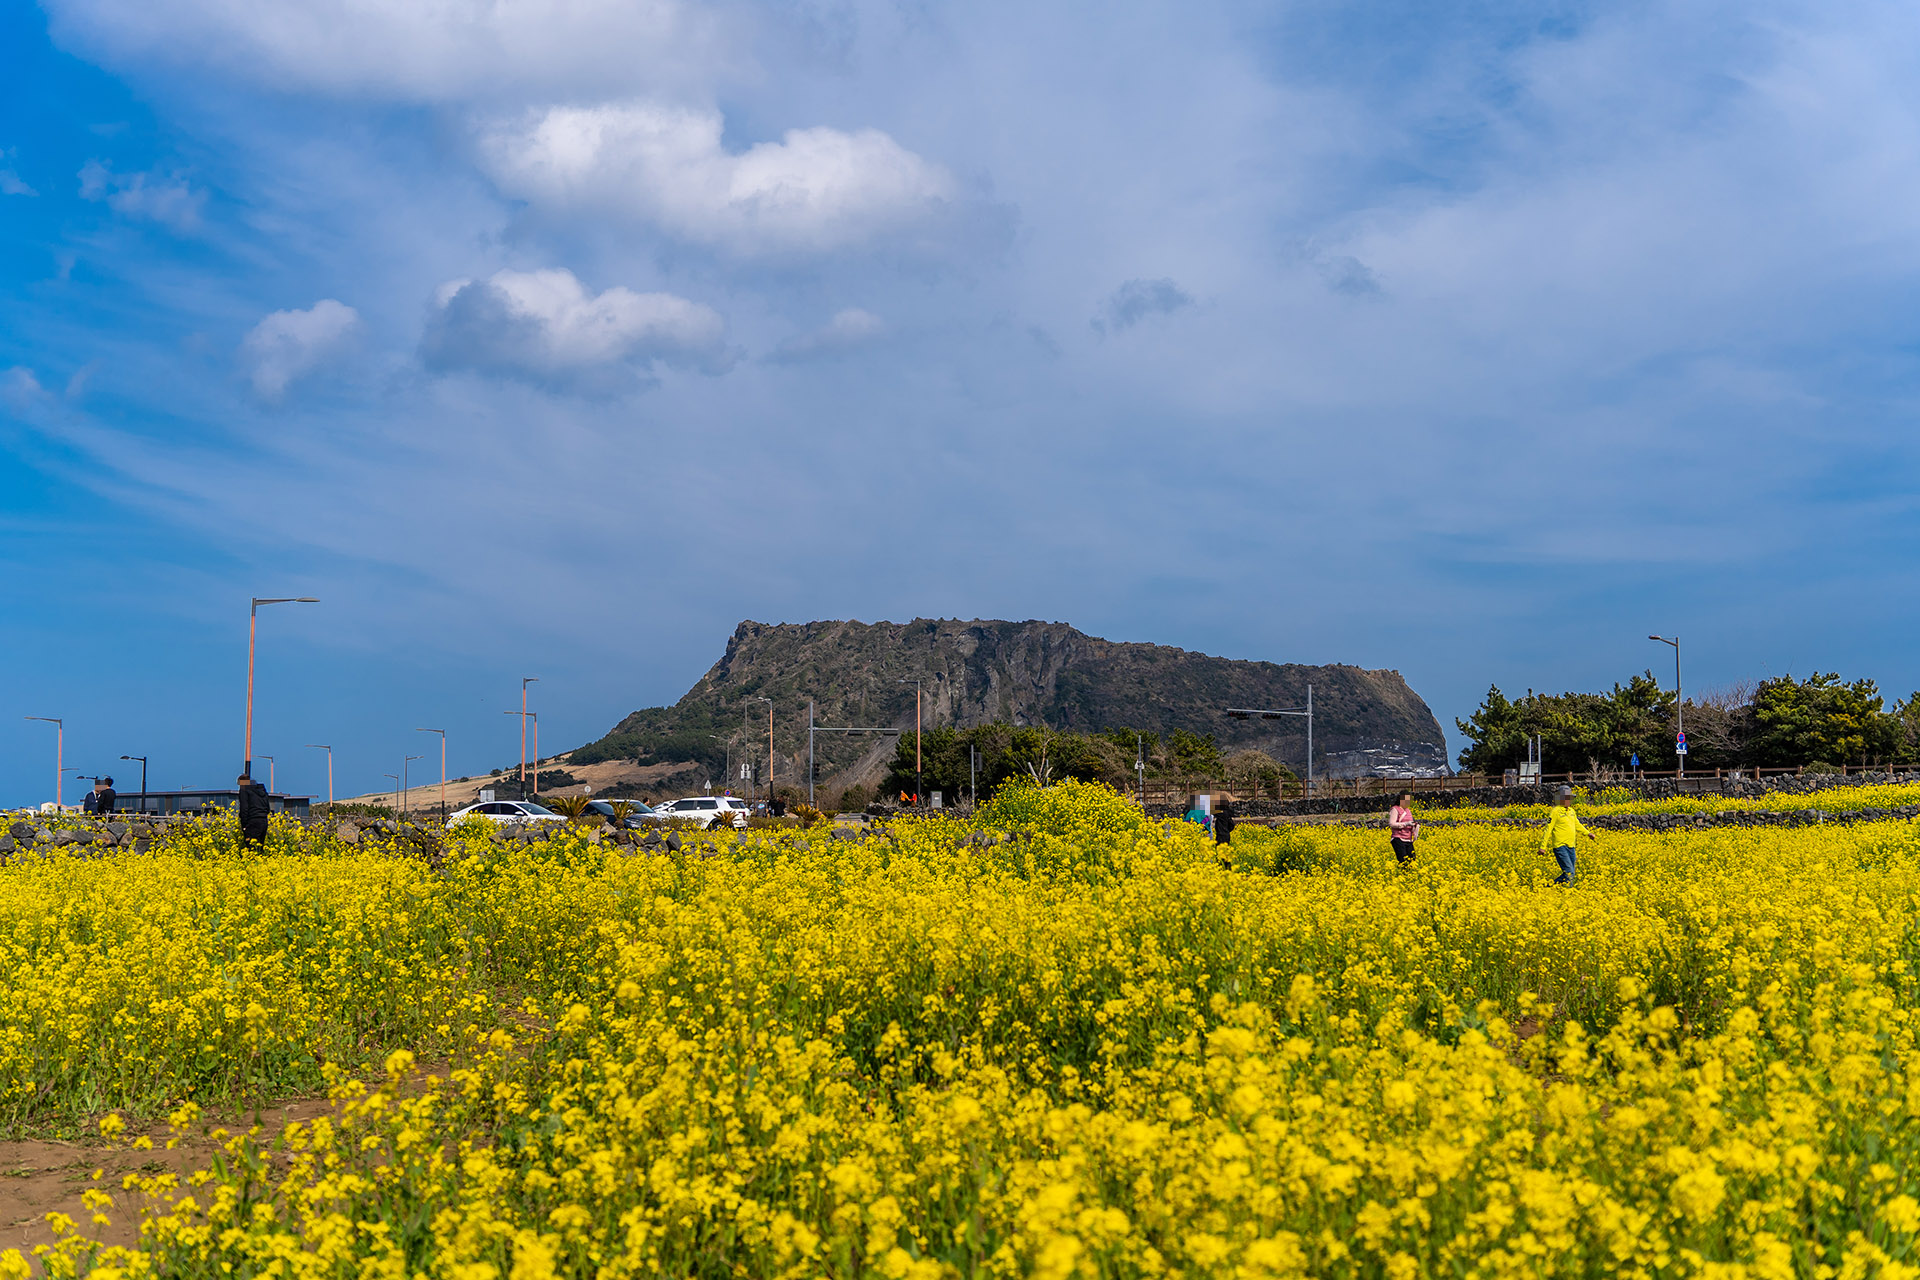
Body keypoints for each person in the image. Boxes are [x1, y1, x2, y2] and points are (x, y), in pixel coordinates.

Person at [1539, 784, 1598, 884]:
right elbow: (1548, 829)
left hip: (1571, 846)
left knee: (1570, 873)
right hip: (1560, 846)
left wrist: (1588, 834)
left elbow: (1577, 824)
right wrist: (1543, 847)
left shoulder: (1571, 811)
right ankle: (1566, 891)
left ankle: (1550, 886)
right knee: (1569, 872)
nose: (1569, 801)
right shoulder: (1555, 812)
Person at [237, 772, 272, 847]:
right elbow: (268, 808)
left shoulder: (244, 790)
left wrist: (244, 825)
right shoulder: (262, 791)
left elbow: (244, 808)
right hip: (264, 820)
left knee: (251, 848)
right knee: (259, 848)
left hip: (252, 821)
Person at [1387, 791, 1418, 866]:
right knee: (1403, 861)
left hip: (1408, 839)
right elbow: (1391, 823)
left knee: (1412, 861)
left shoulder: (1408, 810)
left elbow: (1410, 822)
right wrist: (1405, 824)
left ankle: (1410, 876)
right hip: (1398, 839)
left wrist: (1415, 826)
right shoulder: (1395, 809)